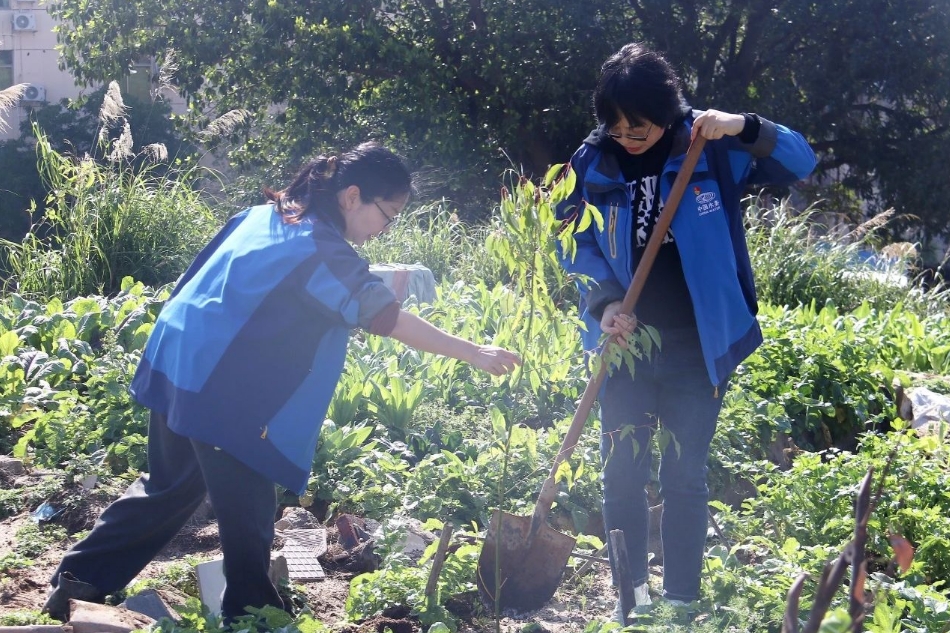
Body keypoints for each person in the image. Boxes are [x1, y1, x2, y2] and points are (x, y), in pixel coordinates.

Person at [42, 142, 521, 623]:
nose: (385, 229)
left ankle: (79, 580)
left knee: (170, 487)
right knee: (249, 506)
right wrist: (473, 352)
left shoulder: (264, 216)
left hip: (177, 356)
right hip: (223, 382)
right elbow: (387, 318)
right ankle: (255, 615)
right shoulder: (323, 249)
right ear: (352, 196)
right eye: (388, 215)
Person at [554, 43, 816, 621]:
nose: (627, 136)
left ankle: (679, 601)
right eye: (616, 125)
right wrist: (603, 304)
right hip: (625, 343)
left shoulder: (710, 147)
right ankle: (630, 598)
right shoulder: (593, 163)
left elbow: (801, 161)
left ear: (668, 110)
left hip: (698, 344)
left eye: (638, 124)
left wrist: (743, 125)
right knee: (621, 471)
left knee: (684, 474)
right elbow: (574, 239)